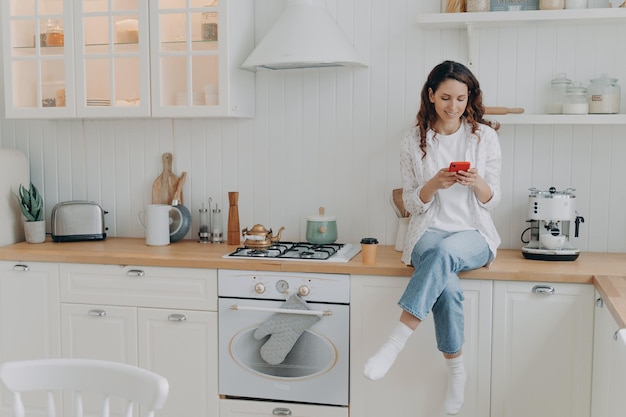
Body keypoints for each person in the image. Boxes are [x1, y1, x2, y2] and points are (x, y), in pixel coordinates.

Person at [363, 60, 502, 415]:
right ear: (431, 96)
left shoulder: (484, 137)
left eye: (460, 98)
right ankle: (457, 371)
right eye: (445, 98)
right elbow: (411, 201)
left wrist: (478, 184)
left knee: (445, 256)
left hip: (473, 234)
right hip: (427, 232)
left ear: (469, 98)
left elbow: (494, 199)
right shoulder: (414, 140)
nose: (452, 106)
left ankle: (395, 342)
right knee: (448, 284)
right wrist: (433, 185)